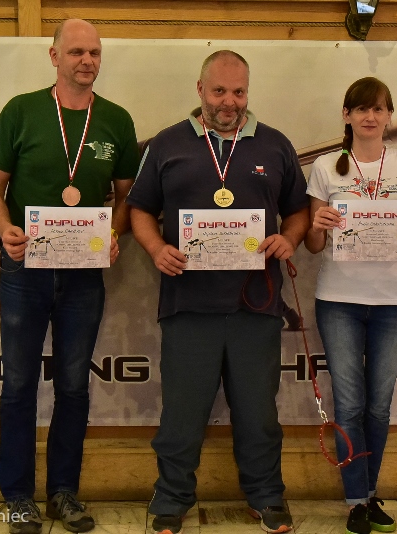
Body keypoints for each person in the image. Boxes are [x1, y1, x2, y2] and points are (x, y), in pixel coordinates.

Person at [127, 50, 310, 534]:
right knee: (182, 414)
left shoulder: (275, 144)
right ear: (200, 90)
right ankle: (171, 499)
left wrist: (289, 238)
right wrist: (155, 248)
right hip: (188, 304)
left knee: (258, 412)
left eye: (239, 92)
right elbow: (140, 209)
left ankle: (266, 496)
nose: (229, 102)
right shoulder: (167, 144)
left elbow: (298, 210)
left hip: (257, 303)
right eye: (219, 91)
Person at [0, 19, 140, 534]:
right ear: (54, 57)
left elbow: (128, 196)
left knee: (73, 386)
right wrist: (5, 229)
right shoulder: (22, 111)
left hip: (83, 276)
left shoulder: (115, 119)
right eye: (75, 52)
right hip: (24, 269)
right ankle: (18, 497)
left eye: (94, 52)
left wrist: (114, 232)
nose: (86, 60)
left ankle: (63, 493)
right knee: (19, 385)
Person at [304, 77, 397, 534]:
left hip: (395, 301)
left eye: (378, 109)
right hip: (338, 300)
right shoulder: (325, 166)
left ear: (388, 116)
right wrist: (318, 224)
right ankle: (355, 502)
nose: (370, 116)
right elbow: (312, 245)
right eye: (361, 109)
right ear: (347, 115)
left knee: (378, 407)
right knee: (349, 405)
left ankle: (370, 491)